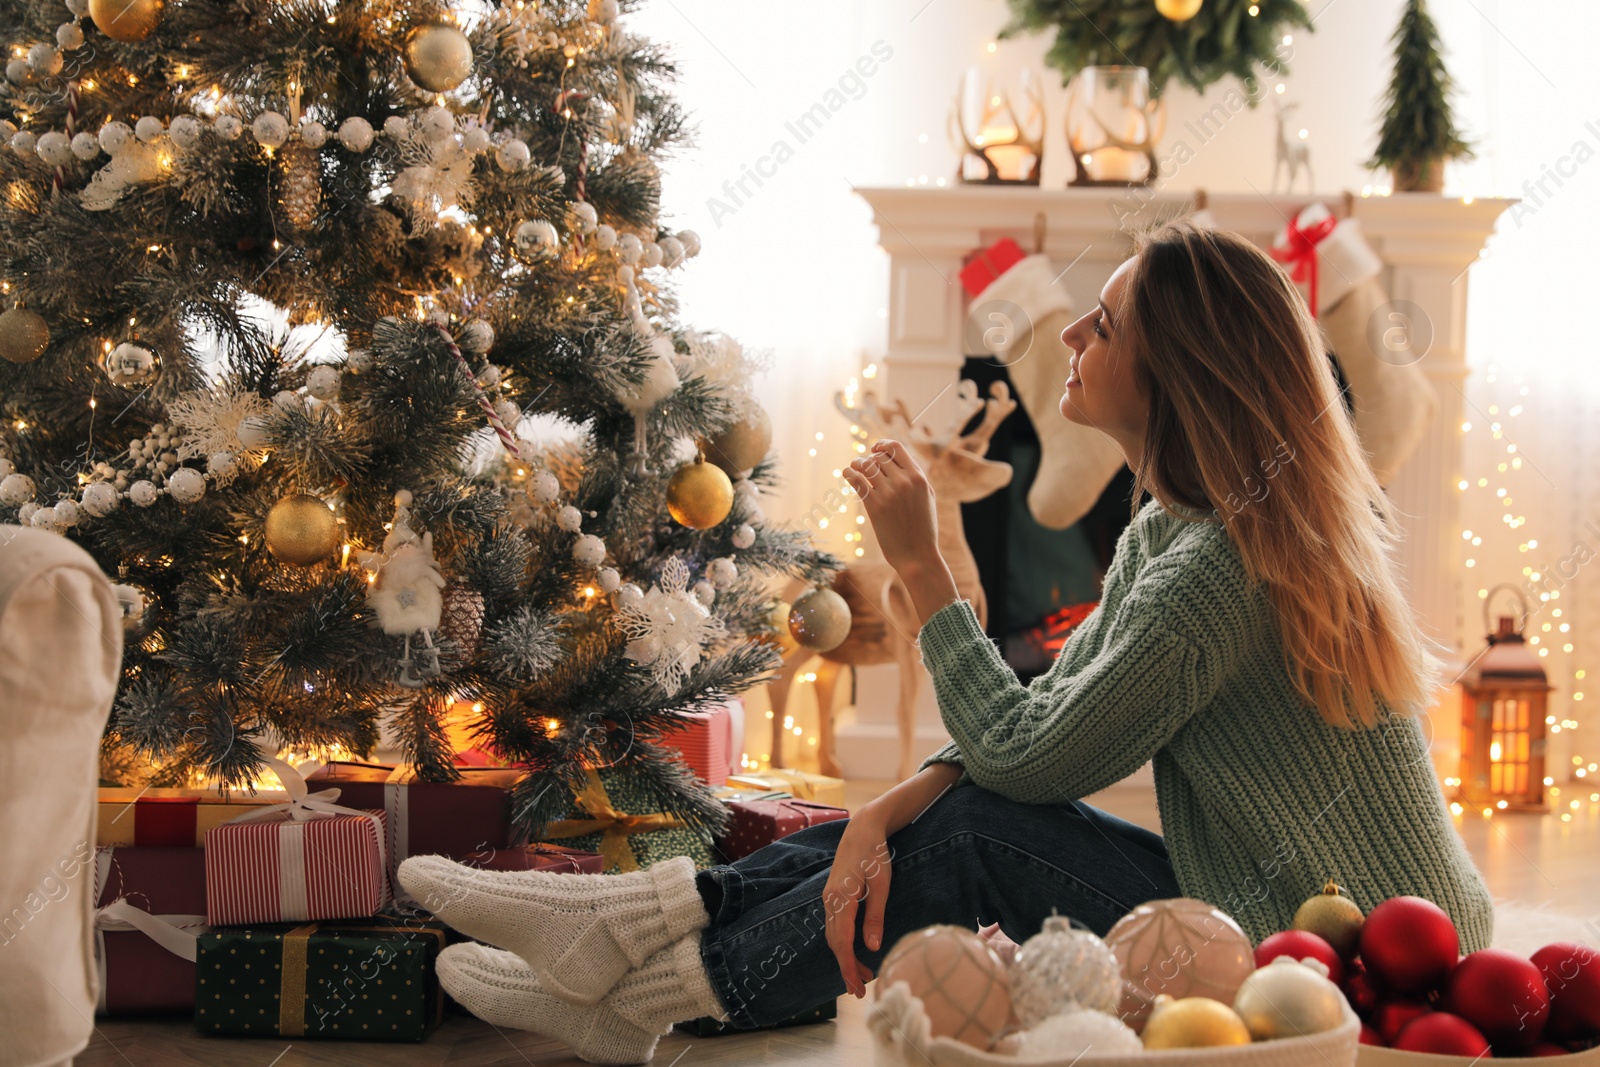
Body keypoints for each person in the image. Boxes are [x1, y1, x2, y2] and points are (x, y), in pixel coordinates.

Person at [397, 219, 1495, 1064]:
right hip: (1298, 903)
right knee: (938, 812)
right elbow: (1050, 710)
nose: (1068, 333)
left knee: (978, 832)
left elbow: (1027, 759)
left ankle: (665, 985)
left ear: (1179, 374)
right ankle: (642, 924)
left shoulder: (1214, 571)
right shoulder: (1177, 523)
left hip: (1336, 958)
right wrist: (890, 795)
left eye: (1103, 324)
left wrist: (922, 568)